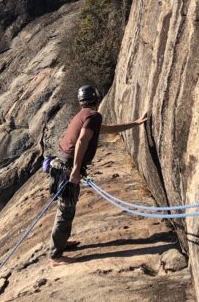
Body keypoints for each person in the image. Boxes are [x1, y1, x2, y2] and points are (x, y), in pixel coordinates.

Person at [48, 85, 148, 265]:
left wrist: (135, 123)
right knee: (66, 210)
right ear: (97, 99)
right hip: (68, 168)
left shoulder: (84, 116)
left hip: (60, 164)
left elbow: (106, 129)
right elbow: (82, 141)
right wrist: (77, 169)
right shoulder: (93, 116)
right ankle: (56, 255)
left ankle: (61, 242)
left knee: (65, 209)